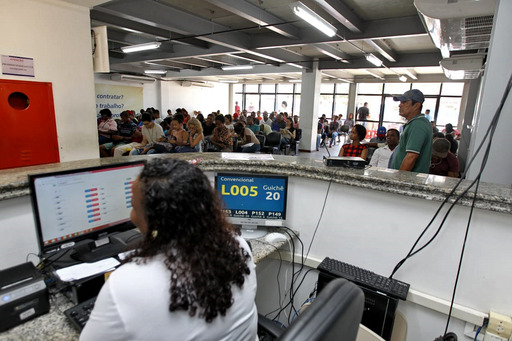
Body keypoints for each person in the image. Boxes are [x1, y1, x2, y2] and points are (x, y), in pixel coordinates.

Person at [80, 159, 257, 341]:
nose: (131, 216)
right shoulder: (237, 244)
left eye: (133, 207)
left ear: (156, 221)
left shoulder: (125, 285)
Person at [390, 89, 432, 173]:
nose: (400, 105)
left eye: (404, 102)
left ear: (416, 105)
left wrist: (399, 179)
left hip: (407, 180)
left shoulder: (418, 125)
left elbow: (412, 156)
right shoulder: (413, 123)